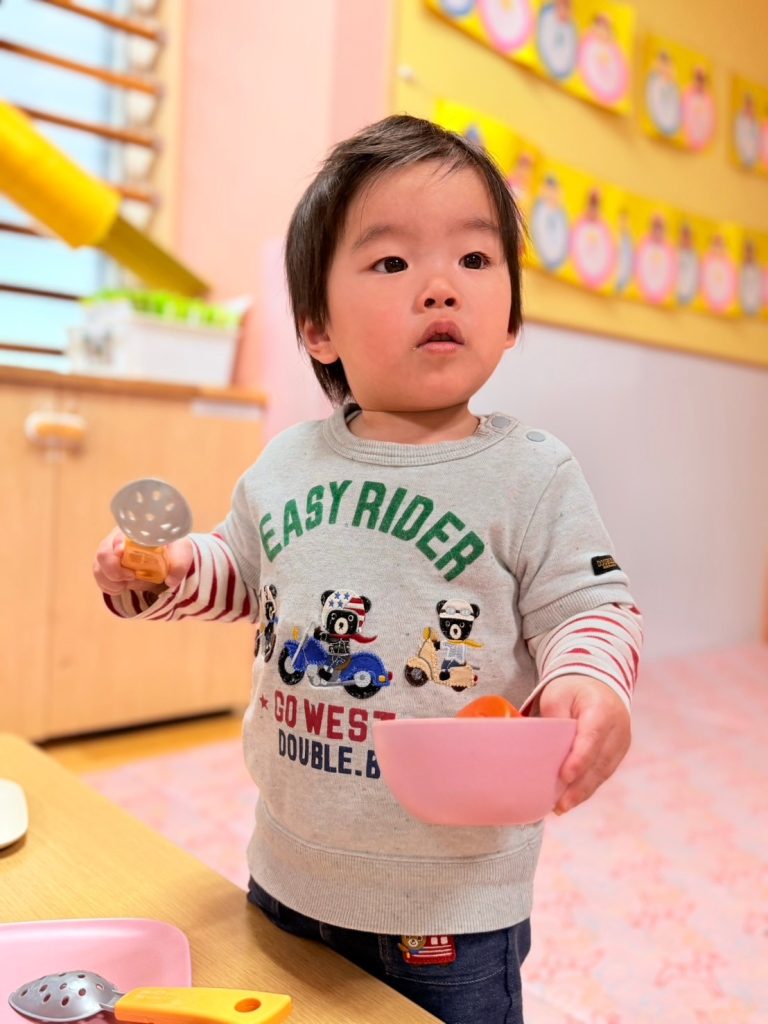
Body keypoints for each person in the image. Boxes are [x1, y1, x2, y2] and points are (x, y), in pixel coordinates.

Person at [93, 115, 643, 1024]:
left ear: (511, 316)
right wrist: (165, 571)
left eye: (475, 259)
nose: (440, 285)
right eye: (392, 262)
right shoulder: (286, 463)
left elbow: (590, 604)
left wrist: (589, 678)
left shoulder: (532, 473)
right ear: (318, 329)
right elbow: (242, 571)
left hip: (449, 906)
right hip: (287, 868)